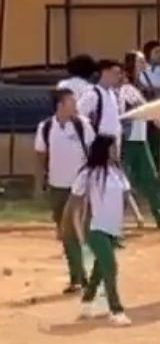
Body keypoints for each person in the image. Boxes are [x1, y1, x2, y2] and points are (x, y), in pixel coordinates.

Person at [67, 133, 132, 327]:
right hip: (95, 228)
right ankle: (116, 309)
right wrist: (78, 230)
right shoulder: (88, 174)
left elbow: (126, 196)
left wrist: (134, 218)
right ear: (104, 150)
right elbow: (75, 205)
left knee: (100, 268)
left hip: (113, 228)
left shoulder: (118, 172)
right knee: (110, 267)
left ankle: (88, 300)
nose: (116, 151)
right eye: (113, 148)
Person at [34, 87, 93, 294]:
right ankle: (78, 277)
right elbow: (41, 155)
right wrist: (41, 182)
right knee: (66, 233)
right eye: (71, 102)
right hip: (57, 187)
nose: (75, 105)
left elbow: (94, 152)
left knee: (74, 232)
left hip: (79, 188)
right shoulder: (46, 127)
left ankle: (82, 277)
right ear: (60, 104)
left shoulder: (82, 125)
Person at [118, 50, 160, 229]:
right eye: (140, 62)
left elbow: (151, 114)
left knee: (151, 179)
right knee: (120, 183)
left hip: (139, 140)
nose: (144, 64)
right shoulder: (124, 90)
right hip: (127, 141)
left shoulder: (136, 89)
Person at [138, 41, 160, 173]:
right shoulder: (139, 71)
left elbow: (158, 86)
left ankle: (154, 175)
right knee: (138, 145)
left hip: (158, 112)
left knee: (154, 146)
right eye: (156, 52)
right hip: (140, 115)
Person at [77, 58, 124, 147]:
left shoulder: (113, 94)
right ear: (105, 72)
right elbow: (79, 114)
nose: (119, 76)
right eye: (116, 73)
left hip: (114, 141)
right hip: (98, 141)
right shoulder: (93, 94)